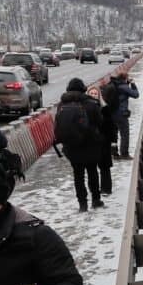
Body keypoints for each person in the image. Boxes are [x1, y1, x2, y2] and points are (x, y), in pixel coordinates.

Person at [55, 78, 104, 212]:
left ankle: (82, 204)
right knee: (93, 172)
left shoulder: (61, 105)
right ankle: (96, 200)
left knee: (78, 175)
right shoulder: (92, 103)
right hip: (91, 145)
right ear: (83, 88)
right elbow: (100, 123)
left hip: (71, 147)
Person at [103, 69, 139, 159]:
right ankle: (124, 154)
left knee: (114, 134)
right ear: (125, 77)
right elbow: (136, 95)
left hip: (111, 113)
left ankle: (114, 154)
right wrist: (133, 84)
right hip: (121, 114)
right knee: (124, 134)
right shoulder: (123, 86)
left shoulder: (112, 84)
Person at [87, 85, 116, 196]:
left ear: (99, 95)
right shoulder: (85, 109)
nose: (94, 95)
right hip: (91, 143)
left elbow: (111, 125)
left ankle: (106, 189)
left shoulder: (105, 108)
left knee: (105, 167)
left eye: (95, 94)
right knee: (92, 169)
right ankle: (94, 190)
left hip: (104, 142)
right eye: (91, 94)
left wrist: (113, 140)